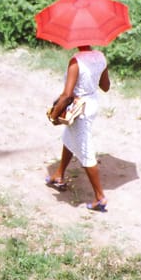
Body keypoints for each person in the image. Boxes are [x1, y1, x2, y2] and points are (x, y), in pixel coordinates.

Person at [45, 45, 110, 211]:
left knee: (85, 149)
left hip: (80, 110)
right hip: (92, 104)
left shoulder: (76, 61)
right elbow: (105, 86)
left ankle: (100, 197)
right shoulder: (100, 57)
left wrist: (54, 114)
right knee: (70, 137)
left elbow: (67, 95)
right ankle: (59, 174)